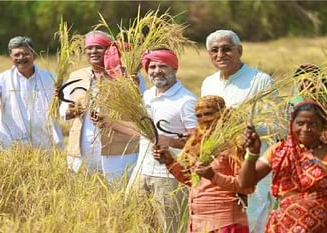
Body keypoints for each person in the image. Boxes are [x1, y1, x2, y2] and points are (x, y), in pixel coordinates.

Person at [201, 29, 274, 232]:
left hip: (251, 165)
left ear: (239, 50)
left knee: (252, 220)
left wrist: (243, 125)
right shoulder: (208, 83)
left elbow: (277, 124)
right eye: (214, 50)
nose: (220, 54)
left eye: (226, 49)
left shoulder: (260, 81)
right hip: (219, 167)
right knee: (224, 222)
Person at [153, 95, 253, 233]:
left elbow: (246, 186)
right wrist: (169, 160)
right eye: (199, 116)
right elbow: (191, 180)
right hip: (198, 223)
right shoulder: (197, 143)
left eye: (208, 114)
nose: (204, 119)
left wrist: (213, 176)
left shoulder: (233, 144)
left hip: (226, 222)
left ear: (222, 114)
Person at [127, 48, 197, 233]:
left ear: (174, 69)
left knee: (170, 228)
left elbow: (199, 140)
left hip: (170, 177)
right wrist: (108, 122)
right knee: (140, 226)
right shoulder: (148, 95)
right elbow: (141, 132)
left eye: (163, 66)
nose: (157, 71)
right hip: (141, 171)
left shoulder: (186, 100)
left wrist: (171, 142)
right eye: (152, 66)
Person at [60, 31, 145, 182]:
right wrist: (69, 111)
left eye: (99, 47)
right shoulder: (76, 76)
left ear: (110, 50)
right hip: (80, 151)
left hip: (119, 152)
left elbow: (142, 110)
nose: (93, 51)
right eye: (89, 48)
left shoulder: (128, 76)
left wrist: (133, 88)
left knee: (117, 195)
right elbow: (63, 108)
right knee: (81, 196)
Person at [240, 100, 327, 232]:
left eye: (312, 124)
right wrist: (252, 153)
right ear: (291, 125)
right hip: (283, 226)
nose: (305, 129)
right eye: (300, 123)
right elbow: (245, 182)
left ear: (323, 126)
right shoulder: (279, 151)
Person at [0, 36, 63, 150]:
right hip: (12, 147)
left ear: (34, 55)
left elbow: (63, 108)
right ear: (10, 57)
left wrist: (61, 98)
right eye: (17, 55)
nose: (21, 58)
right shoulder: (1, 79)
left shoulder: (51, 78)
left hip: (45, 145)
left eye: (25, 54)